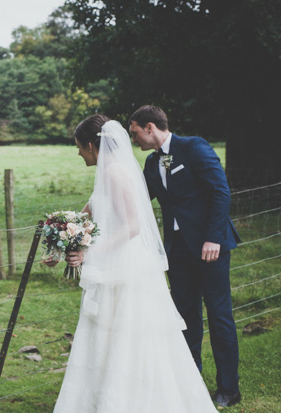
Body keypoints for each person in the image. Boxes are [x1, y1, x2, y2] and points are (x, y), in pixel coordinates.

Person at [50, 115, 216, 412]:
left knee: (128, 336)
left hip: (125, 269)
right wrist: (58, 243)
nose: (78, 153)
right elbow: (83, 217)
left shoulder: (115, 171)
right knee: (107, 337)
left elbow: (132, 226)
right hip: (113, 264)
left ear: (90, 145)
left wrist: (89, 253)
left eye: (78, 147)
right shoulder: (106, 172)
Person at [129, 105, 241, 407]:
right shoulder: (153, 164)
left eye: (136, 133)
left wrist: (213, 238)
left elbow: (221, 192)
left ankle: (229, 389)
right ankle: (190, 383)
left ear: (150, 127)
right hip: (176, 252)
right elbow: (133, 198)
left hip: (210, 247)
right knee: (185, 318)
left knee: (219, 317)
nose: (134, 140)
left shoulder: (194, 147)